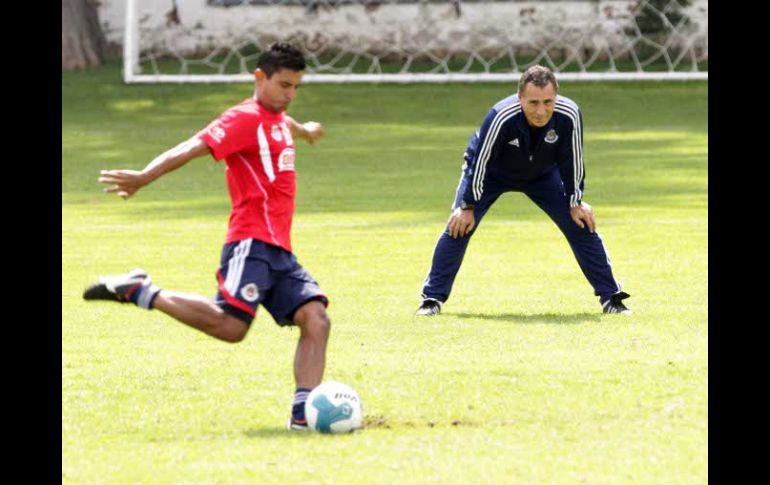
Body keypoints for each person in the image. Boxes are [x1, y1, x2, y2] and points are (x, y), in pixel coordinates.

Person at [83, 43, 330, 430]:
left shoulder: (279, 118)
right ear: (259, 77)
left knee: (316, 319)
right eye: (284, 85)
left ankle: (303, 414)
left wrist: (308, 130)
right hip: (251, 243)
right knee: (231, 327)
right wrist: (144, 176)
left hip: (281, 250)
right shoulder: (242, 119)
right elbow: (191, 147)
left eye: (296, 87)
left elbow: (288, 125)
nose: (290, 94)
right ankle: (142, 291)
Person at [415, 65, 631, 316]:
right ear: (520, 99)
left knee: (580, 224)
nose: (541, 111)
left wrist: (575, 201)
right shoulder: (501, 116)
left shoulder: (569, 114)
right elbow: (480, 163)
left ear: (556, 97)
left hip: (542, 174)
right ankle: (432, 299)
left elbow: (572, 159)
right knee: (459, 226)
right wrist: (467, 206)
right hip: (491, 174)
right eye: (533, 103)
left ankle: (611, 298)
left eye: (548, 102)